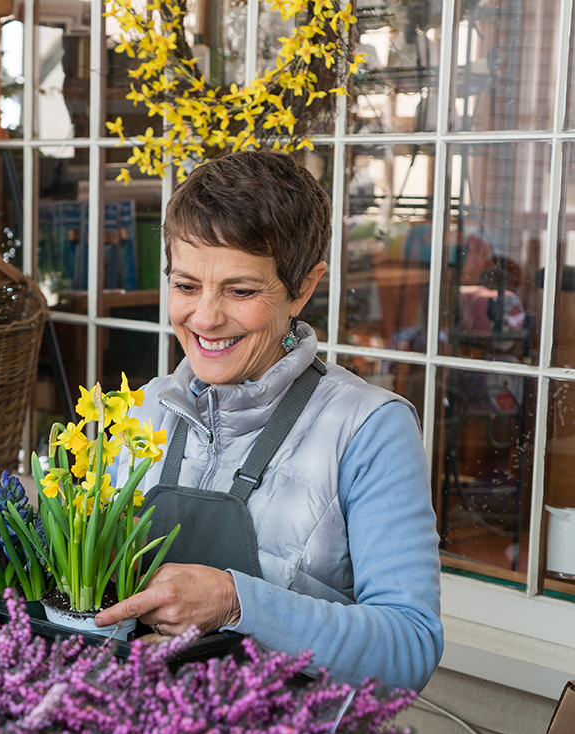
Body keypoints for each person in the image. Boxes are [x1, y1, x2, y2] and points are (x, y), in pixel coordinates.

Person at [96, 150, 443, 692]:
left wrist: (236, 602)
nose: (206, 317)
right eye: (186, 286)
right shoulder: (141, 410)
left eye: (241, 291)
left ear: (303, 288)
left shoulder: (369, 429)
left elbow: (410, 647)